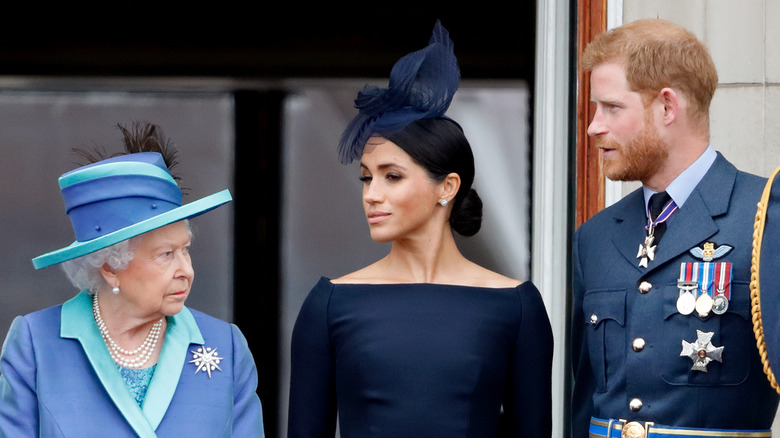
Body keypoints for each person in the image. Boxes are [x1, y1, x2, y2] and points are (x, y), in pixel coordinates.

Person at [287, 21, 553, 438]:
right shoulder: (329, 303)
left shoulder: (517, 307)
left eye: (391, 177)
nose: (371, 194)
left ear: (446, 187)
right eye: (366, 177)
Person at [571, 18, 780, 437]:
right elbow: (586, 398)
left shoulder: (765, 216)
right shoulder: (594, 236)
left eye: (611, 107)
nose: (594, 126)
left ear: (667, 107)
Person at [0, 122, 264, 437]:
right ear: (111, 266)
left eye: (186, 250)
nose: (186, 270)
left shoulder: (227, 346)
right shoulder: (36, 344)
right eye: (166, 254)